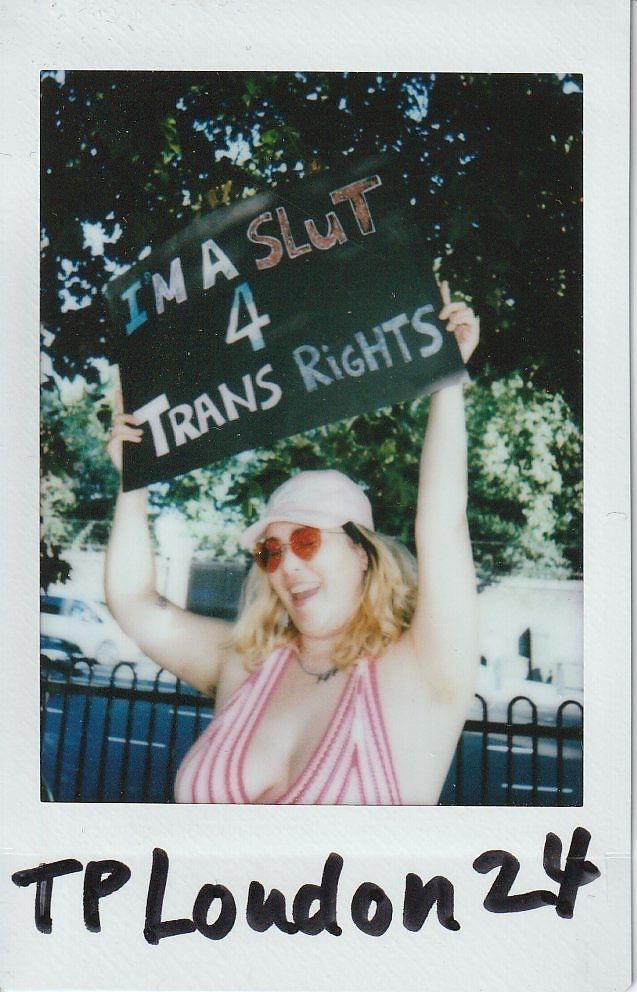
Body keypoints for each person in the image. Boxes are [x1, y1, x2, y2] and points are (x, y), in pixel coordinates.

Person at [105, 281, 480, 805]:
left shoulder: (424, 669)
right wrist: (133, 482)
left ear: (363, 553)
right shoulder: (251, 663)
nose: (285, 566)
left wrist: (446, 379)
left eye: (305, 540)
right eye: (271, 552)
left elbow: (441, 523)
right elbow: (135, 603)